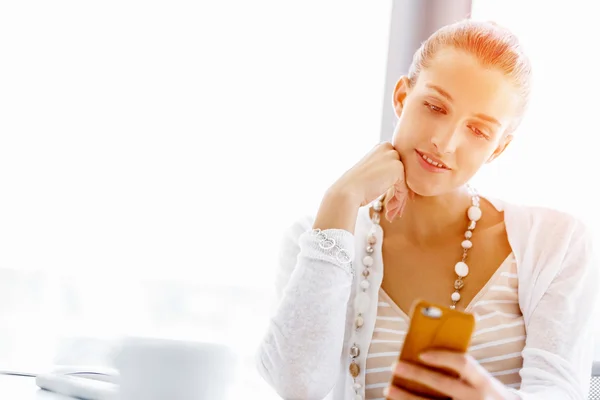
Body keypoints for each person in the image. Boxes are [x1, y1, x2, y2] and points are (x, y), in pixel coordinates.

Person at [255, 19, 598, 400]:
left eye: (479, 131)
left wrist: (486, 396)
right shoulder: (323, 238)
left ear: (499, 148)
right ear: (402, 96)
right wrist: (340, 200)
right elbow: (296, 385)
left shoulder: (556, 243)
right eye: (435, 107)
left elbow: (562, 392)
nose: (445, 142)